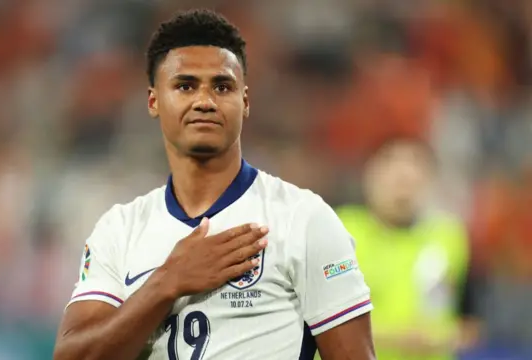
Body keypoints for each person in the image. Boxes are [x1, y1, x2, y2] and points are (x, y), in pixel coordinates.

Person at [53, 9, 375, 360]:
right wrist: (166, 283)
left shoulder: (303, 219)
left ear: (245, 102)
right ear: (153, 101)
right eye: (185, 85)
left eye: (222, 87)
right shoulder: (119, 230)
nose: (205, 101)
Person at [336, 136, 475, 360]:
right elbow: (322, 318)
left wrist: (443, 337)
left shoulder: (450, 237)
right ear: (369, 175)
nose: (404, 181)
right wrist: (398, 337)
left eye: (413, 173)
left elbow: (471, 324)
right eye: (393, 172)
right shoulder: (340, 232)